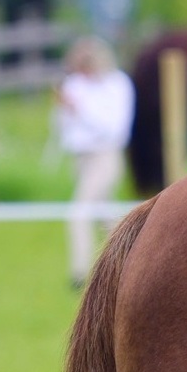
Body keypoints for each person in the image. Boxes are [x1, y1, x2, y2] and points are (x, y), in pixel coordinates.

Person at [54, 37, 136, 288]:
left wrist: (79, 110)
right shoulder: (76, 84)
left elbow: (114, 129)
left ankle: (79, 275)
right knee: (106, 216)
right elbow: (65, 127)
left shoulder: (117, 85)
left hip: (106, 155)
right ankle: (126, 267)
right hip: (82, 157)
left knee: (79, 213)